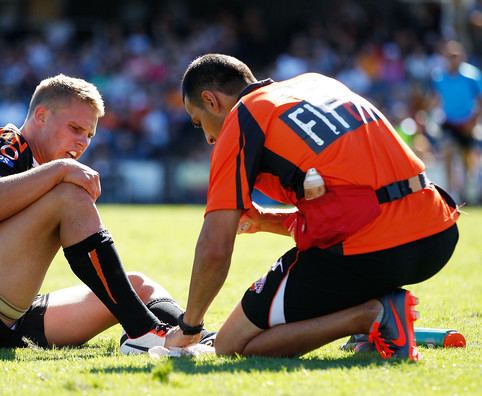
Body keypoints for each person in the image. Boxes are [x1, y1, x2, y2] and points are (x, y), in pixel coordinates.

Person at [165, 54, 460, 360]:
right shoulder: (318, 83)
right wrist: (266, 221)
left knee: (230, 345)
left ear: (211, 101)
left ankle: (370, 316)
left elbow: (215, 246)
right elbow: (353, 203)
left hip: (373, 248)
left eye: (200, 123)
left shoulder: (244, 116)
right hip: (437, 233)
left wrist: (190, 326)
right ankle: (375, 319)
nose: (210, 138)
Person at [0, 74, 184, 353]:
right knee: (69, 196)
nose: (83, 142)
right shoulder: (4, 141)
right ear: (41, 115)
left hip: (3, 312)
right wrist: (59, 170)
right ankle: (143, 332)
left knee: (139, 286)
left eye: (89, 134)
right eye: (75, 128)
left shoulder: (41, 166)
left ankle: (193, 337)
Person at [431, 40, 482, 204]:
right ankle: (450, 192)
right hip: (449, 123)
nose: (452, 59)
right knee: (448, 152)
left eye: (455, 56)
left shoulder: (471, 76)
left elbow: (480, 100)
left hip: (468, 123)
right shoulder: (439, 77)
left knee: (467, 159)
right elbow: (436, 99)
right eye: (449, 56)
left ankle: (467, 191)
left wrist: (474, 121)